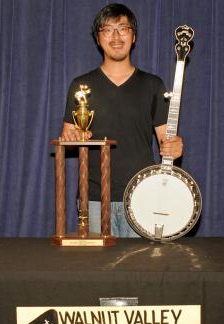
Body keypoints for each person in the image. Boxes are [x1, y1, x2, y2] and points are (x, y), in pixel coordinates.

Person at [61, 3, 183, 237]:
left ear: (133, 36)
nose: (116, 36)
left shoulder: (153, 85)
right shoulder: (81, 86)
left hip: (143, 196)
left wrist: (175, 146)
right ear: (98, 39)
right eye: (107, 29)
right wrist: (72, 137)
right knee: (97, 272)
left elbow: (167, 142)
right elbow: (69, 136)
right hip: (94, 200)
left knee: (141, 272)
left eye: (123, 28)